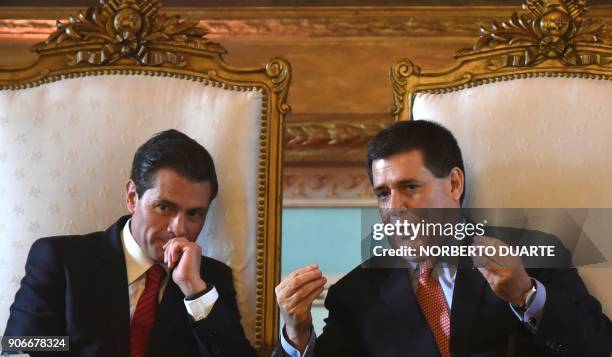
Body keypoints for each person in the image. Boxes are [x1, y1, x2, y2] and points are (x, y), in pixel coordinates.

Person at [274, 120, 612, 357]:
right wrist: (297, 334)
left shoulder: (532, 254)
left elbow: (598, 346)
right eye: (382, 193)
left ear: (453, 184)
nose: (394, 208)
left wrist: (526, 295)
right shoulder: (356, 294)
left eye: (409, 187)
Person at [4, 130, 257, 357]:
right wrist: (66, 344)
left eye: (194, 214)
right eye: (164, 207)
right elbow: (22, 345)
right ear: (132, 197)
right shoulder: (61, 260)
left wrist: (194, 290)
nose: (178, 229)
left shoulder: (210, 281)